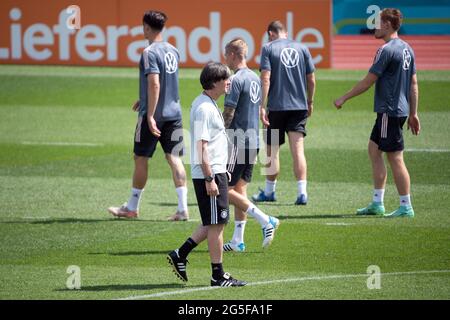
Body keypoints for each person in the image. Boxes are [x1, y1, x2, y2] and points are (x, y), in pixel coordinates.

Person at [334, 8, 420, 218]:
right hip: (399, 109)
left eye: (378, 22)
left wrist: (344, 97)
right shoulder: (407, 49)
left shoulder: (387, 50)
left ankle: (405, 206)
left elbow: (368, 81)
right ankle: (377, 203)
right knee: (374, 149)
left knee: (395, 157)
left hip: (388, 110)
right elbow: (414, 84)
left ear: (388, 25)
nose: (374, 26)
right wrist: (413, 113)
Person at [167, 62, 246, 287]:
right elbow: (201, 147)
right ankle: (217, 276)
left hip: (216, 172)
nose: (229, 81)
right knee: (217, 225)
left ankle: (180, 254)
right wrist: (211, 177)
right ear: (214, 82)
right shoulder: (203, 108)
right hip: (208, 175)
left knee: (212, 222)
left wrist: (221, 171)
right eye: (225, 78)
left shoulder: (209, 103)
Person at [108, 11, 189, 221]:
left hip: (153, 115)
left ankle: (132, 207)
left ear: (146, 27)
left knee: (140, 157)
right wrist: (143, 98)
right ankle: (182, 209)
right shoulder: (174, 50)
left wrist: (150, 114)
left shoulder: (149, 52)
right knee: (174, 158)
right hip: (175, 113)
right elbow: (164, 83)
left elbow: (155, 83)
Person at [222, 38, 280, 252]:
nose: (224, 59)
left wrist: (217, 132)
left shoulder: (235, 79)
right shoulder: (255, 77)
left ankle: (265, 220)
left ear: (233, 55)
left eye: (226, 54)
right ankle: (238, 240)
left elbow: (229, 112)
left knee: (224, 190)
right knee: (240, 189)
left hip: (237, 141)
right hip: (253, 140)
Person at [252, 20, 316, 205]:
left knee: (272, 151)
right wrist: (310, 101)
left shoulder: (268, 48)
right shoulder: (302, 47)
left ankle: (270, 191)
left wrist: (262, 105)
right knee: (298, 150)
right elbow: (311, 79)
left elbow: (265, 78)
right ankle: (302, 193)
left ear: (271, 33)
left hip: (277, 107)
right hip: (299, 106)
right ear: (285, 33)